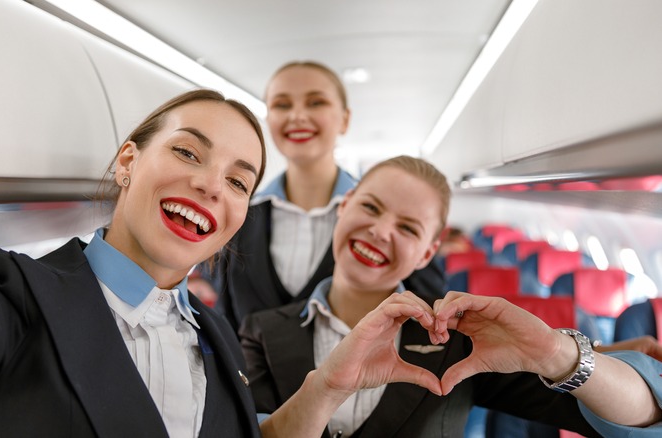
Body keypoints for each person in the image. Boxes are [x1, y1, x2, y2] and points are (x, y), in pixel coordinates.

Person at [0, 90, 438, 438]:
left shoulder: (216, 336)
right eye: (188, 152)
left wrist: (327, 388)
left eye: (238, 181)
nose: (209, 184)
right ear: (128, 161)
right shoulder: (18, 295)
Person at [240, 155, 662, 437]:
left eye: (407, 228)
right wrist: (326, 389)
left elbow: (639, 419)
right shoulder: (261, 329)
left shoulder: (456, 340)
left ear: (428, 251)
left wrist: (555, 352)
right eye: (369, 207)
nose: (381, 231)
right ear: (343, 206)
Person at [195, 60, 445, 331]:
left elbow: (427, 317)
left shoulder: (389, 224)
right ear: (269, 119)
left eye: (316, 103)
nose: (298, 116)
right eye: (282, 104)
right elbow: (227, 319)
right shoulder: (239, 214)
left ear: (345, 120)